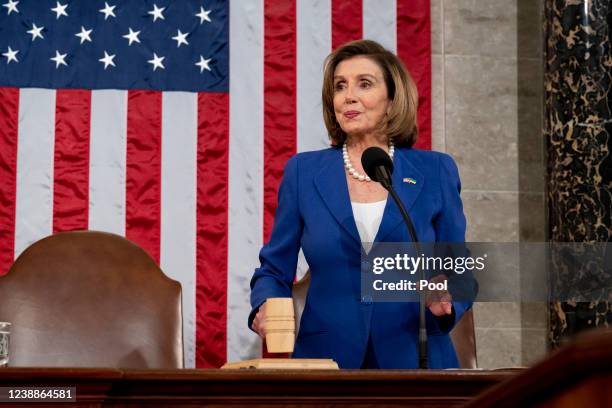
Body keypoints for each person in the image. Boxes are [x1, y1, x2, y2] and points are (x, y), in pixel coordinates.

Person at [248, 39, 474, 369]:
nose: (348, 95)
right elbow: (273, 268)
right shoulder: (303, 172)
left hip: (415, 356)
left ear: (392, 98)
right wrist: (265, 304)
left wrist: (448, 296)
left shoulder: (435, 170)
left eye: (364, 84)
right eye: (340, 86)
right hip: (327, 361)